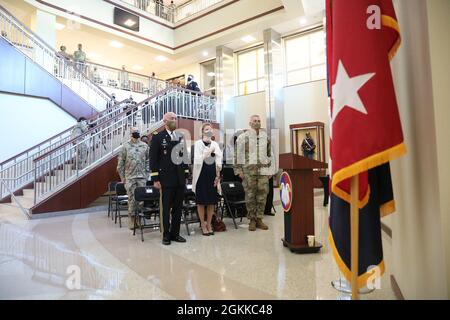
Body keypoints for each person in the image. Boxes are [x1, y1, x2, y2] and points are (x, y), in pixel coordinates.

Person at [150, 112, 190, 245]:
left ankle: (175, 233)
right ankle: (166, 235)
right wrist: (155, 179)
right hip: (165, 179)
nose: (174, 120)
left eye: (175, 118)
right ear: (164, 121)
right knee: (166, 209)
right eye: (172, 118)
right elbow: (153, 159)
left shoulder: (180, 136)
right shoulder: (157, 137)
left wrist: (185, 174)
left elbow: (184, 157)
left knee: (178, 208)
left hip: (179, 179)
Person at [234, 115, 272, 231]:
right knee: (250, 196)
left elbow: (270, 155)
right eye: (255, 121)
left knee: (262, 195)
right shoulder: (242, 137)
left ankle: (259, 219)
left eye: (259, 121)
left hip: (263, 171)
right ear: (250, 123)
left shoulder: (265, 137)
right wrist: (238, 171)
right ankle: (252, 220)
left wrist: (271, 170)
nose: (257, 123)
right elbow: (237, 155)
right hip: (248, 172)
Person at [192, 123, 223, 236]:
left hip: (212, 175)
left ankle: (209, 224)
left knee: (211, 202)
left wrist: (218, 173)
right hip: (201, 175)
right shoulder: (198, 144)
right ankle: (203, 224)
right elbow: (198, 159)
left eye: (210, 129)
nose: (209, 130)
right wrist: (209, 151)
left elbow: (219, 158)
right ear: (203, 131)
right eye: (206, 129)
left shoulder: (215, 144)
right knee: (201, 202)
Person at [117, 127, 150, 230]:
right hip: (130, 177)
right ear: (130, 134)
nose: (136, 133)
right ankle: (132, 220)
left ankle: (139, 220)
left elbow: (148, 161)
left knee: (141, 200)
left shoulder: (145, 146)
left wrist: (146, 174)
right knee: (131, 199)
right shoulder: (125, 147)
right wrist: (123, 178)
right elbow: (120, 164)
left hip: (141, 177)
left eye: (137, 132)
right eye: (134, 132)